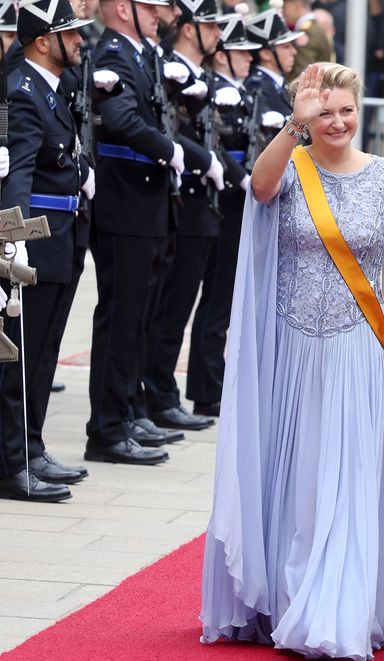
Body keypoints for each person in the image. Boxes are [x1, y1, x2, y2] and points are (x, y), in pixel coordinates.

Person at [199, 63, 384, 658]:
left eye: (346, 110)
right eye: (324, 113)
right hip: (292, 349)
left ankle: (339, 611)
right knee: (301, 477)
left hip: (359, 350)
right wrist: (292, 129)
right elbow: (258, 190)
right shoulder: (290, 167)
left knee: (348, 473)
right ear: (304, 118)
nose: (337, 122)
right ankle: (292, 600)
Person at [0, 0, 95, 503]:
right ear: (43, 41)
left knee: (43, 354)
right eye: (71, 33)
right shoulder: (23, 93)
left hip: (62, 231)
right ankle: (11, 462)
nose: (80, 40)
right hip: (36, 238)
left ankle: (31, 446)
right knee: (20, 358)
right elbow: (18, 172)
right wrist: (13, 239)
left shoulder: (50, 89)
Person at [86, 0, 187, 466]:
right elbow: (124, 121)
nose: (160, 14)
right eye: (152, 6)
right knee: (120, 322)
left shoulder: (141, 53)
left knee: (138, 319)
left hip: (146, 206)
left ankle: (128, 413)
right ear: (124, 10)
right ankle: (107, 428)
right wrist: (168, 149)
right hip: (125, 205)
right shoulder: (112, 54)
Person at [140, 0, 225, 433]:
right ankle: (156, 393)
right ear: (189, 29)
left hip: (201, 204)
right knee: (168, 309)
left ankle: (159, 392)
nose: (217, 33)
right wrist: (205, 159)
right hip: (184, 202)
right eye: (209, 24)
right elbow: (174, 133)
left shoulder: (199, 74)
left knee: (180, 307)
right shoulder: (171, 70)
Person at [185, 9, 258, 418]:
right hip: (222, 202)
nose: (249, 58)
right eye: (239, 52)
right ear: (222, 55)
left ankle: (211, 383)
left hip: (237, 202)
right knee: (215, 300)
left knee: (226, 299)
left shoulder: (243, 92)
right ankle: (205, 389)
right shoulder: (212, 88)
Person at [244, 5, 302, 128]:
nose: (293, 52)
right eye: (286, 47)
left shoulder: (276, 84)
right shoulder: (257, 86)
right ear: (265, 54)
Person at [282, 0, 332, 80]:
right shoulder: (312, 28)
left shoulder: (306, 32)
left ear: (297, 4)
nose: (284, 12)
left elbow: (303, 73)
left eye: (285, 7)